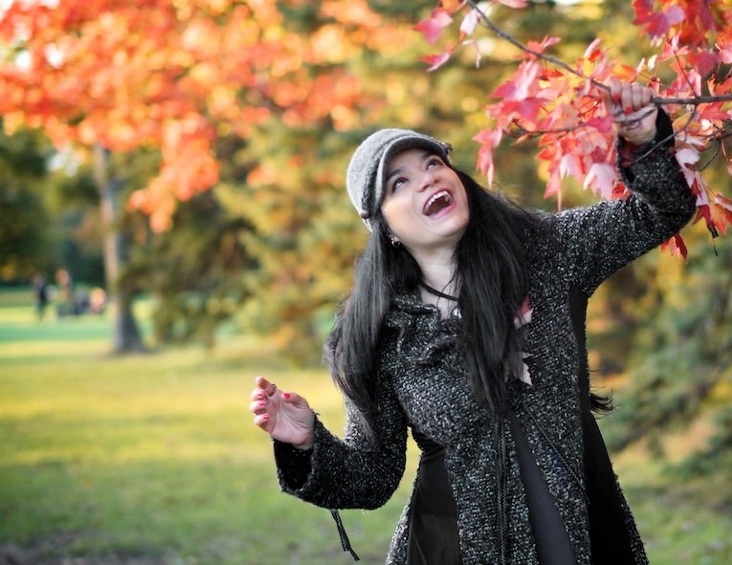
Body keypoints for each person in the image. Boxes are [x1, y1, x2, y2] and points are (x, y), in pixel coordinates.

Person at [249, 81, 696, 564]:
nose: (427, 179)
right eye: (399, 183)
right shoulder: (384, 335)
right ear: (385, 228)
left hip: (580, 528)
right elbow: (373, 475)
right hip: (457, 548)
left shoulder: (546, 252)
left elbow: (660, 211)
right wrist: (307, 441)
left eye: (433, 164)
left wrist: (644, 139)